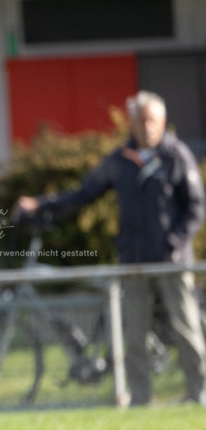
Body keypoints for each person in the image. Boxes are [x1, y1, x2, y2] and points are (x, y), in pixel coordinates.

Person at [16, 90, 206, 406]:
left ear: (162, 123)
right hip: (133, 260)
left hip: (172, 260)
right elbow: (82, 194)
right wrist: (40, 204)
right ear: (132, 123)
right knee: (133, 333)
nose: (147, 127)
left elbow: (196, 206)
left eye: (153, 121)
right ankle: (141, 397)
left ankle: (199, 393)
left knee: (186, 327)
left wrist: (175, 241)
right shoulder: (120, 162)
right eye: (142, 121)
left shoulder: (176, 155)